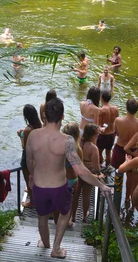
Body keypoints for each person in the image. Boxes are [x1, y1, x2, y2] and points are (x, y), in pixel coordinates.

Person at [26, 98, 112, 259]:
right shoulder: (67, 141)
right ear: (63, 116)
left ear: (44, 115)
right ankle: (56, 249)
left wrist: (32, 176)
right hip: (58, 187)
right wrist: (101, 185)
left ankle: (45, 243)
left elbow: (30, 161)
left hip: (38, 185)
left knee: (42, 217)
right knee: (65, 214)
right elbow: (80, 170)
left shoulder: (32, 136)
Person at [111, 98, 138, 201]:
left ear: (126, 108)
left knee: (118, 172)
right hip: (133, 151)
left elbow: (115, 131)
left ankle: (116, 193)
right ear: (137, 110)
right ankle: (127, 198)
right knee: (130, 177)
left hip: (119, 148)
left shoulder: (118, 120)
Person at [70, 124, 103, 225]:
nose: (98, 135)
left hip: (77, 171)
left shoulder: (78, 143)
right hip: (89, 173)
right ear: (92, 135)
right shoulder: (93, 148)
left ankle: (73, 216)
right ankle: (84, 215)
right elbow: (97, 167)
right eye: (97, 134)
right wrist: (99, 174)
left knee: (76, 194)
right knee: (86, 194)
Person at [17, 104, 42, 208]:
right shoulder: (39, 125)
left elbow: (25, 146)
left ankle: (32, 202)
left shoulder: (28, 130)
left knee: (29, 180)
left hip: (28, 158)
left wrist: (20, 136)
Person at [58, 122, 82, 227]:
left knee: (59, 200)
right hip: (73, 178)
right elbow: (80, 167)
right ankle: (72, 217)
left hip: (60, 178)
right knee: (72, 200)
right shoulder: (78, 149)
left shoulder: (59, 147)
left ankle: (57, 218)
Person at [96, 90, 119, 167]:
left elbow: (98, 124)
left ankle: (100, 166)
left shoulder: (101, 110)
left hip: (103, 135)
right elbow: (117, 121)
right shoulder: (115, 108)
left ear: (101, 98)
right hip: (112, 134)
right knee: (108, 153)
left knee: (99, 152)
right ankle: (108, 167)